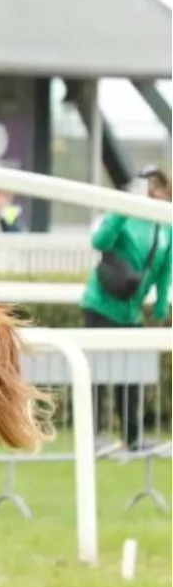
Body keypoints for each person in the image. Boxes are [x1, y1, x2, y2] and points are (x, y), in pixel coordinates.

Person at [80, 171, 171, 450]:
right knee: (96, 373)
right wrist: (122, 209)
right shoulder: (123, 214)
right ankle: (93, 435)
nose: (152, 190)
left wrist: (161, 300)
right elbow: (100, 242)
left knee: (131, 377)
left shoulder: (165, 224)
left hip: (130, 311)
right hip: (101, 305)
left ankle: (133, 437)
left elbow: (165, 268)